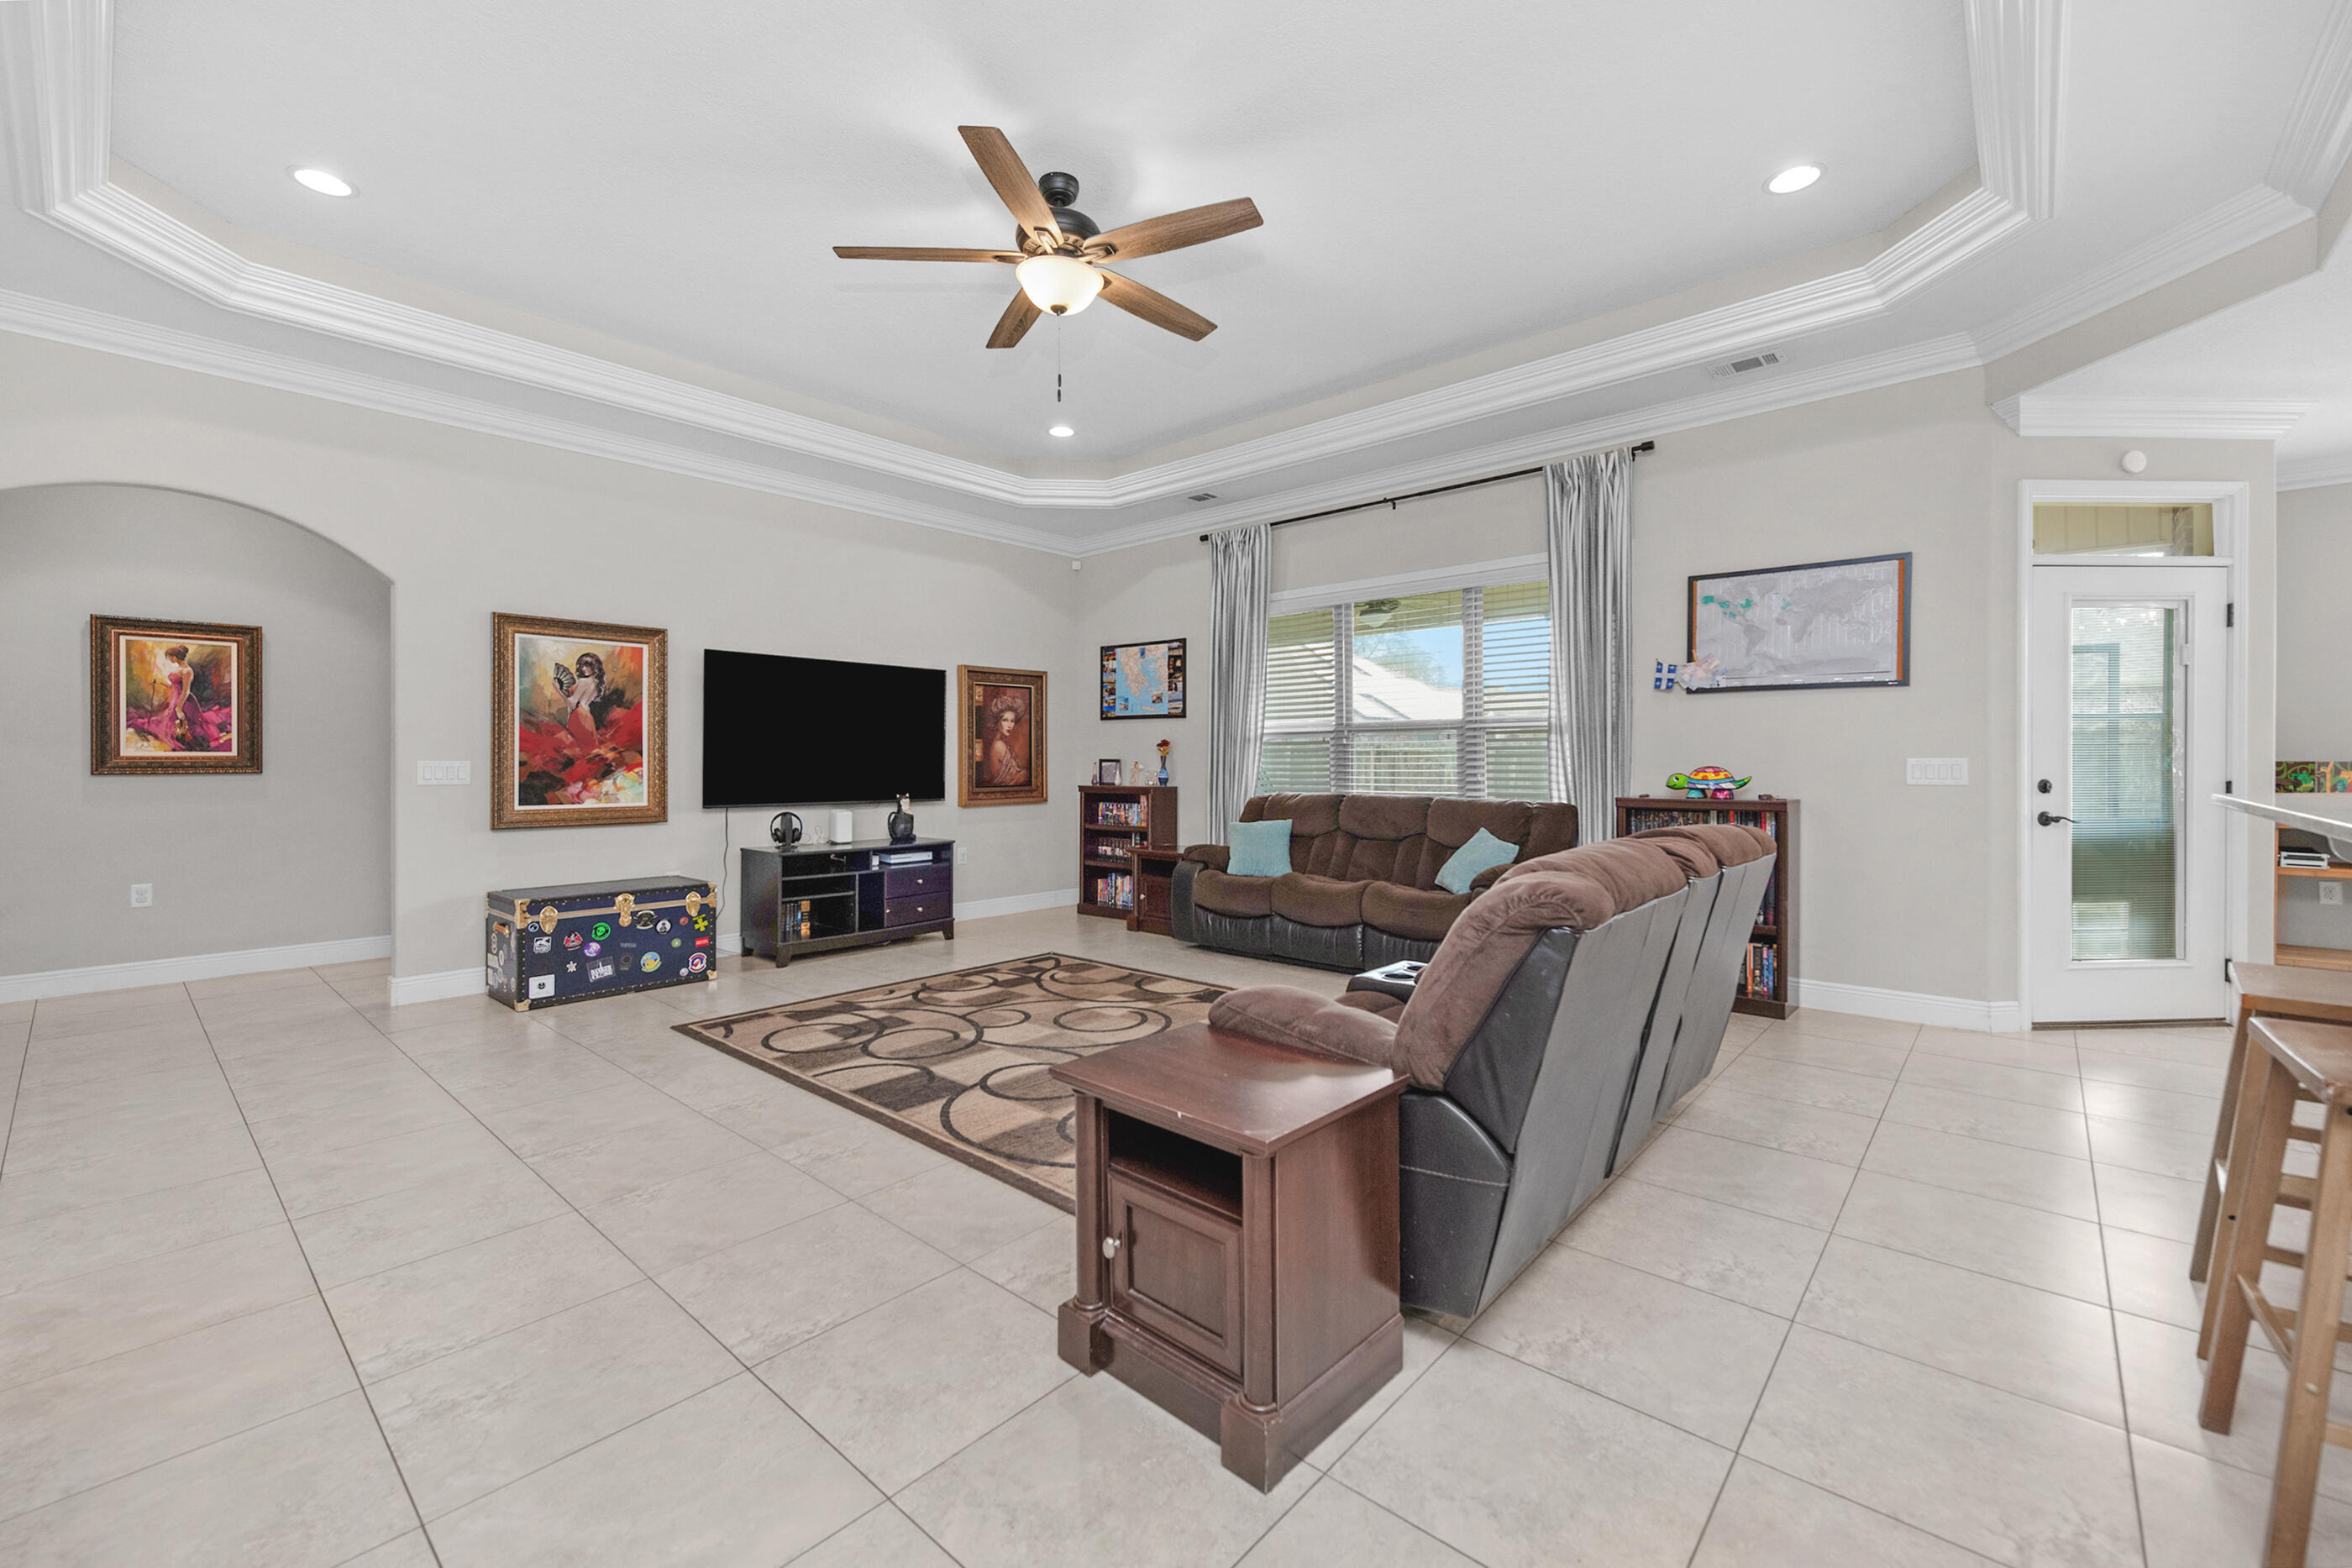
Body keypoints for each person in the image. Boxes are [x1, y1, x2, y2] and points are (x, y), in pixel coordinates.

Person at [981, 689, 1029, 787]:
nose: (1009, 725)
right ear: (998, 721)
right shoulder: (999, 745)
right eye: (1005, 720)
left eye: (1012, 721)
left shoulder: (1002, 742)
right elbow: (1013, 778)